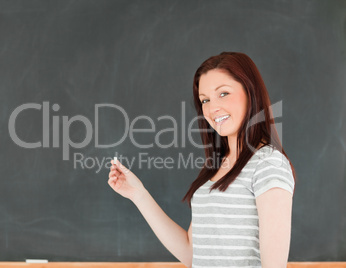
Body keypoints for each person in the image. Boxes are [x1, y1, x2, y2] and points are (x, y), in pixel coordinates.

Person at [108, 52, 297, 268]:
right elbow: (191, 253)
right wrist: (138, 194)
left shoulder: (268, 164)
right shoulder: (218, 166)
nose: (212, 108)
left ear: (250, 92)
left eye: (223, 93)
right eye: (205, 99)